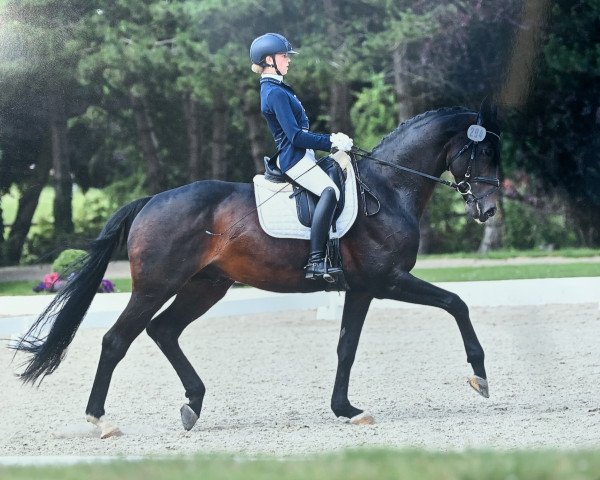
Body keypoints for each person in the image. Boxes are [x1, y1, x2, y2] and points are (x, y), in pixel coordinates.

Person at [249, 33, 354, 282]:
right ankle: (316, 261)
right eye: (284, 56)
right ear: (269, 60)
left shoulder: (277, 87)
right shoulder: (273, 92)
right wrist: (331, 141)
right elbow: (295, 137)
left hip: (302, 156)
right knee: (330, 191)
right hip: (293, 159)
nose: (289, 60)